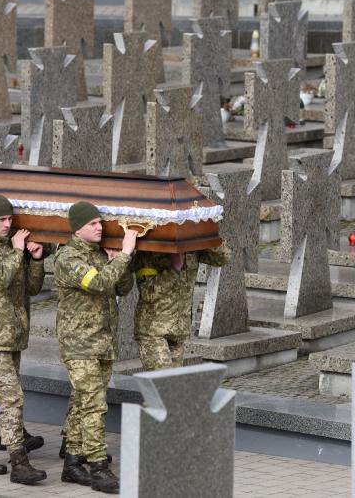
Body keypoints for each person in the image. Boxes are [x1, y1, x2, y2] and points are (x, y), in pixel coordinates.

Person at [53, 201, 137, 494]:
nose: (100, 227)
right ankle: (99, 468)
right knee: (93, 405)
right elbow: (100, 283)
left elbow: (123, 288)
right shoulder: (68, 258)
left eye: (101, 222)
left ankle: (73, 463)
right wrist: (124, 254)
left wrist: (119, 261)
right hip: (80, 344)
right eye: (93, 224)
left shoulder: (101, 254)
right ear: (77, 228)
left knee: (81, 404)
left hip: (102, 342)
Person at [0, 194, 47, 484]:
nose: (8, 225)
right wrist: (18, 250)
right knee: (12, 398)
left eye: (10, 219)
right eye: (2, 220)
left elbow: (32, 286)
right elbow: (0, 278)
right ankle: (19, 462)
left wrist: (36, 258)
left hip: (13, 335)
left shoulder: (9, 245)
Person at [130, 243, 229, 371]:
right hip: (153, 331)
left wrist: (207, 234)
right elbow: (149, 293)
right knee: (164, 384)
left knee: (172, 387)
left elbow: (223, 258)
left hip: (179, 331)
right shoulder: (149, 249)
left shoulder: (192, 248)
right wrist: (174, 269)